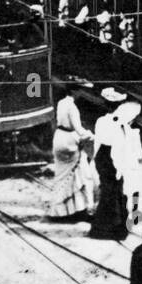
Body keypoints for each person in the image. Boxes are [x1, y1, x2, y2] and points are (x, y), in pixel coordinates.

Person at [47, 81, 94, 219]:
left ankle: (63, 210)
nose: (81, 93)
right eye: (80, 90)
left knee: (62, 176)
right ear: (74, 91)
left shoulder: (61, 102)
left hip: (59, 137)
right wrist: (92, 135)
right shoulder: (72, 107)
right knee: (82, 174)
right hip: (69, 142)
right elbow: (78, 129)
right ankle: (80, 209)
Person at [88, 89, 131, 240]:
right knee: (114, 191)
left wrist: (96, 160)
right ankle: (111, 228)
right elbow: (119, 147)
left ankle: (105, 226)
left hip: (102, 156)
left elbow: (98, 143)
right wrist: (120, 168)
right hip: (113, 158)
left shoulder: (101, 120)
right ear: (118, 106)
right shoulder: (119, 123)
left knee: (108, 190)